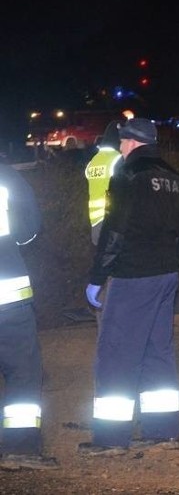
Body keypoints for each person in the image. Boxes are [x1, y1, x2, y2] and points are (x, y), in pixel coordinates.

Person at [79, 118, 179, 457]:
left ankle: (111, 438)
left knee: (116, 353)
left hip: (133, 274)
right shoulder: (175, 178)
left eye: (123, 143)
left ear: (130, 142)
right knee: (159, 352)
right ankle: (163, 431)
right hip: (166, 273)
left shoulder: (127, 174)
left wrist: (98, 276)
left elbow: (115, 230)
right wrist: (171, 266)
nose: (121, 149)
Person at [0, 164, 59, 471]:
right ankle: (19, 448)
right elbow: (29, 230)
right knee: (23, 372)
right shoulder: (7, 177)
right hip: (8, 298)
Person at [85, 120, 124, 245]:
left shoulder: (94, 161)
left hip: (95, 221)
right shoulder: (117, 159)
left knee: (103, 259)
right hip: (112, 220)